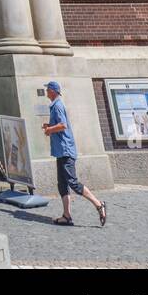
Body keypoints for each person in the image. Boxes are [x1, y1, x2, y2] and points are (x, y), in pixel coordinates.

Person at [42, 80, 107, 226]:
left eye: (47, 90)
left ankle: (98, 205)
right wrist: (49, 126)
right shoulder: (55, 105)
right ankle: (66, 215)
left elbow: (63, 125)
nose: (46, 92)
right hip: (61, 151)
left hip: (65, 150)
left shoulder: (57, 105)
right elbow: (59, 124)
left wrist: (49, 130)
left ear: (53, 91)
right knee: (62, 184)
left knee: (73, 182)